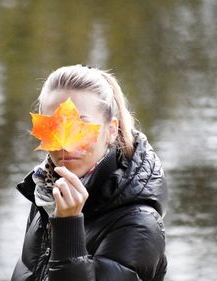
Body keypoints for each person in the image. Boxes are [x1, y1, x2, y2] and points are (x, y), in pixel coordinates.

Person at [11, 65, 168, 281]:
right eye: (55, 127)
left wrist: (68, 226)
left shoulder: (141, 224)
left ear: (111, 131)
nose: (66, 144)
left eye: (81, 126)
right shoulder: (45, 194)